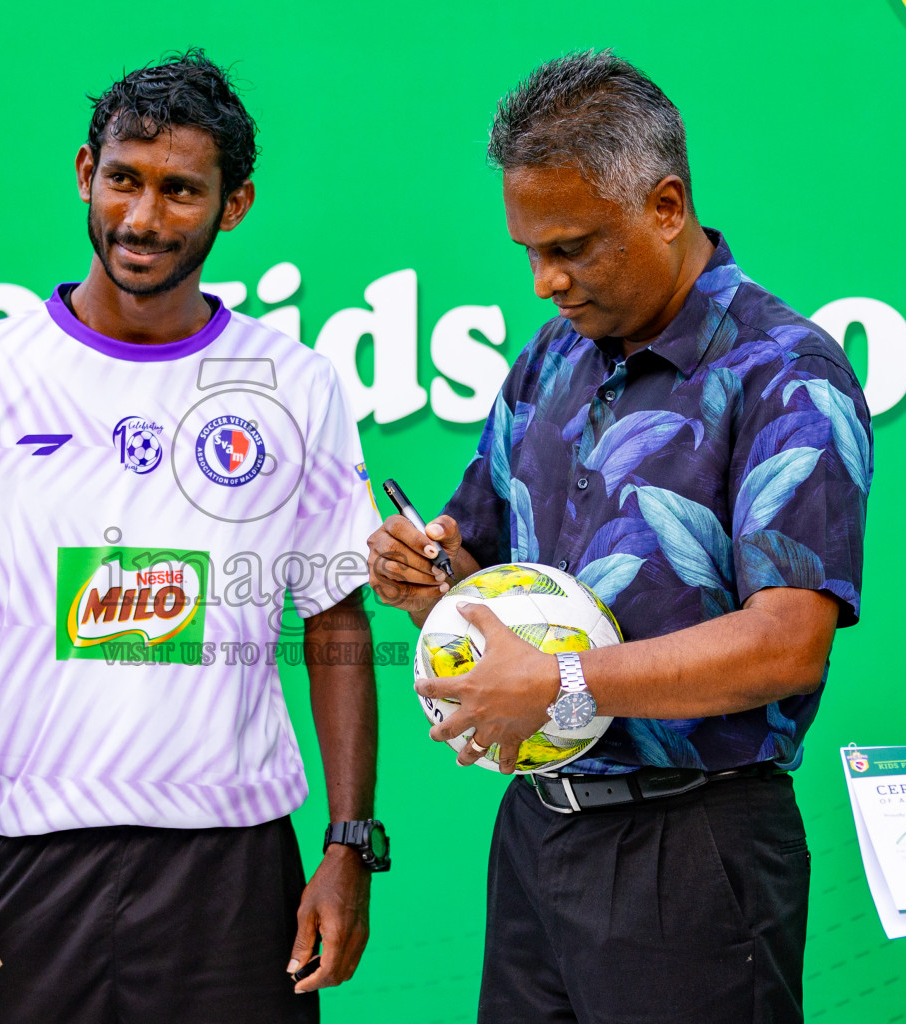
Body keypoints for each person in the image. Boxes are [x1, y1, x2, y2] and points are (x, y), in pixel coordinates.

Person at [0, 50, 386, 1023]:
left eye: (181, 191)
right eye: (125, 180)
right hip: (28, 862)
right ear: (85, 172)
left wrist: (349, 842)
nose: (144, 219)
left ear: (232, 207)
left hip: (236, 870)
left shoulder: (296, 384)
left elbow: (336, 623)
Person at [368, 50, 871, 1023]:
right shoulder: (548, 360)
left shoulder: (786, 371)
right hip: (536, 841)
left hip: (697, 854)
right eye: (529, 250)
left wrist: (561, 682)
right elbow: (480, 560)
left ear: (668, 206)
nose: (544, 282)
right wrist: (431, 576)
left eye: (573, 247)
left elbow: (788, 641)